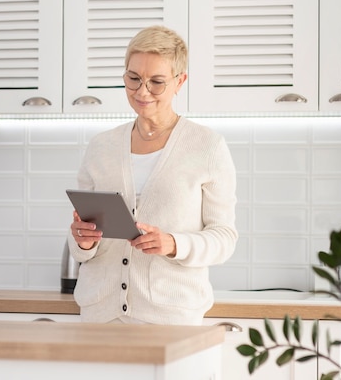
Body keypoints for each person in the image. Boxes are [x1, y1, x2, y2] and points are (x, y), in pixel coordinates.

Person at [67, 25, 238, 325]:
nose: (142, 91)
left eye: (156, 82)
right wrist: (83, 241)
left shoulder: (208, 147)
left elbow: (224, 237)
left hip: (170, 319)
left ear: (179, 81)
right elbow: (81, 246)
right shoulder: (101, 147)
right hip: (99, 318)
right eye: (133, 78)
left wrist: (174, 244)